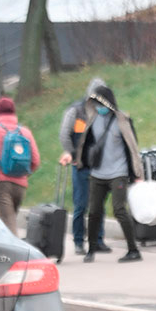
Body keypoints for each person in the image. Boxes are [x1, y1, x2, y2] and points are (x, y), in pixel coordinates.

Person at [73, 83, 144, 263]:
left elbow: (133, 148)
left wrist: (137, 173)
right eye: (96, 103)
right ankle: (92, 248)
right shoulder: (92, 119)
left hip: (118, 173)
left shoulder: (122, 121)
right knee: (94, 211)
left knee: (119, 209)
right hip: (97, 174)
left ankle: (133, 249)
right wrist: (80, 161)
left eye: (101, 103)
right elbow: (84, 143)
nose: (99, 108)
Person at [0, 97, 41, 234]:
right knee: (9, 221)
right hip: (20, 186)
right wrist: (24, 175)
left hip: (1, 185)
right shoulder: (25, 132)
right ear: (13, 112)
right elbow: (36, 160)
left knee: (9, 227)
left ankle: (17, 255)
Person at [58, 78, 110, 256]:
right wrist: (72, 154)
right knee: (81, 204)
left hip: (100, 165)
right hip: (80, 165)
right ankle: (79, 242)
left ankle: (98, 240)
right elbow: (64, 134)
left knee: (99, 204)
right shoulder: (76, 111)